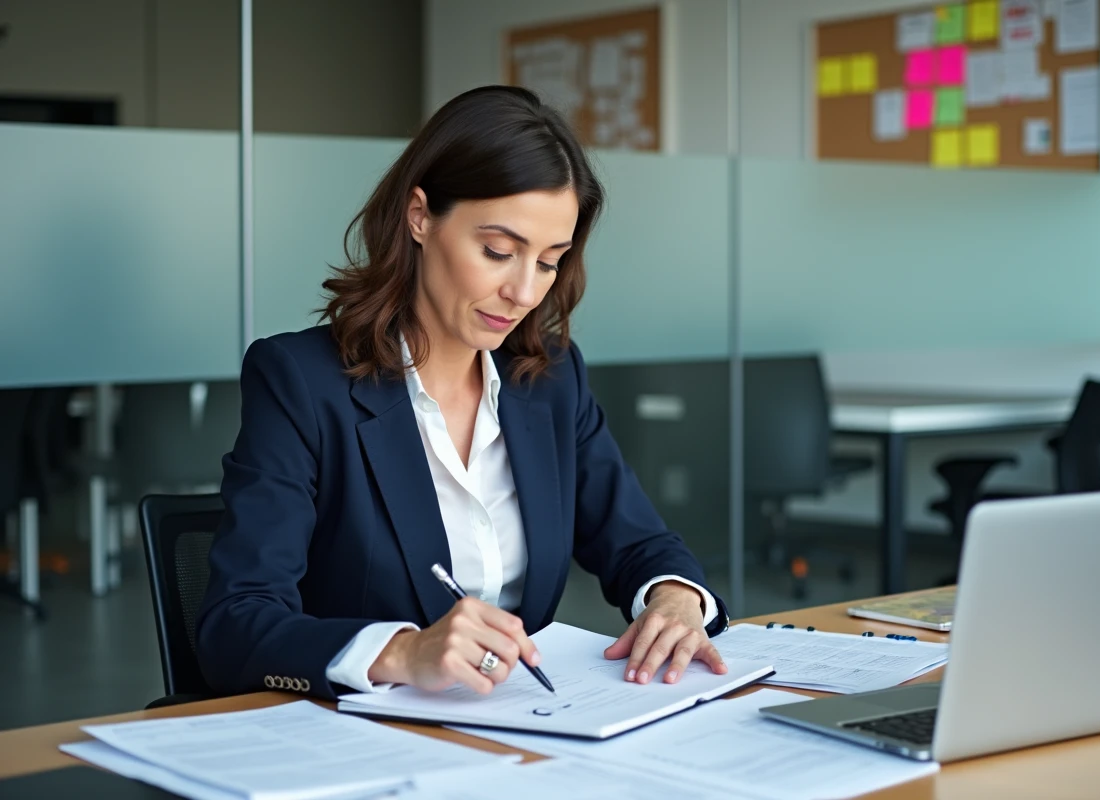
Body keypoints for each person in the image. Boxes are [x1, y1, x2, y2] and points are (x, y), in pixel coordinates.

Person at [196, 85, 729, 701]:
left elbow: (639, 542)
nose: (525, 292)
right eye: (498, 252)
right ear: (420, 217)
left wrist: (676, 598)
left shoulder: (550, 380)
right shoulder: (301, 381)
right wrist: (403, 650)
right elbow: (233, 626)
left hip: (522, 734)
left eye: (550, 261)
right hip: (365, 746)